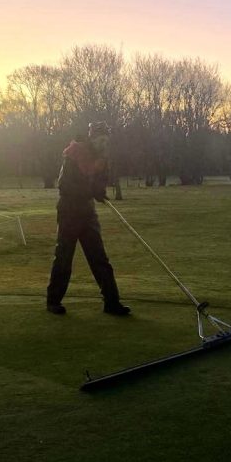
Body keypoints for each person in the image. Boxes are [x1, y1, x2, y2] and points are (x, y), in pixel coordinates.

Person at [46, 121, 131, 316]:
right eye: (100, 140)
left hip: (87, 213)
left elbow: (100, 183)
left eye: (106, 141)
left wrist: (99, 192)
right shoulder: (74, 154)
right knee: (64, 257)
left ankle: (112, 302)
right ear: (92, 139)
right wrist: (90, 191)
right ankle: (53, 301)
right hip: (69, 211)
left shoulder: (102, 160)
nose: (103, 144)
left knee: (99, 258)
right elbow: (64, 186)